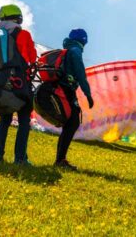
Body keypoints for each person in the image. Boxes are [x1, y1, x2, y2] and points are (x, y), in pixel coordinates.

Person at [0, 4, 37, 164]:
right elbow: (32, 58)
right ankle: (20, 158)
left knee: (4, 120)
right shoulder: (23, 34)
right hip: (19, 83)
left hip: (1, 82)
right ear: (18, 18)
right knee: (24, 120)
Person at [54, 28, 94, 170]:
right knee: (73, 123)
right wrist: (88, 94)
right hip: (67, 89)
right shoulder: (76, 50)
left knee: (70, 124)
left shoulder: (68, 48)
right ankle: (60, 160)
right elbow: (80, 74)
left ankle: (60, 159)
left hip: (62, 88)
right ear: (83, 40)